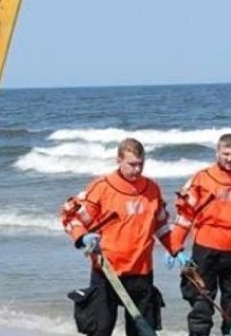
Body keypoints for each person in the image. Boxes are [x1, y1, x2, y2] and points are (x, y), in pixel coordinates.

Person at [60, 138, 177, 336]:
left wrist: (175, 250)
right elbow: (70, 215)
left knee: (143, 332)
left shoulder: (152, 189)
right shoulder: (101, 187)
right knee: (100, 329)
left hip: (141, 272)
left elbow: (161, 224)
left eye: (141, 164)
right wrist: (83, 237)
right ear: (119, 161)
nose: (137, 169)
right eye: (132, 164)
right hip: (107, 272)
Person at [170, 133, 231, 336]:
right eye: (226, 154)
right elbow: (185, 215)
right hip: (205, 251)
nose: (230, 158)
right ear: (217, 153)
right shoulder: (201, 179)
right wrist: (175, 247)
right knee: (201, 302)